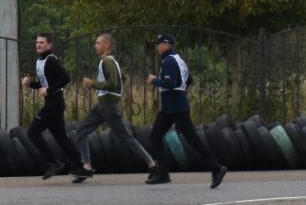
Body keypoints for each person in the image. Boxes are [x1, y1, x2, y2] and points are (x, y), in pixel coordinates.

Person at [73, 32, 158, 180]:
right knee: (82, 131)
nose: (95, 45)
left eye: (98, 43)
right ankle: (86, 167)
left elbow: (113, 83)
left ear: (107, 45)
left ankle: (152, 165)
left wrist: (92, 84)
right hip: (102, 105)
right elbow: (122, 78)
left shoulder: (107, 61)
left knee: (126, 138)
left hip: (109, 107)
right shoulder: (111, 62)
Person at [146, 34, 226, 189]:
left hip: (176, 107)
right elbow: (189, 80)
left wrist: (154, 80)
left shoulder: (169, 61)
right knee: (155, 136)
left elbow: (171, 83)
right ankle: (162, 173)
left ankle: (217, 168)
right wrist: (181, 91)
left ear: (166, 45)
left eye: (159, 44)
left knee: (192, 139)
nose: (157, 47)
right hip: (171, 107)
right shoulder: (178, 59)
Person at [23, 33, 86, 181]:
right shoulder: (40, 61)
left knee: (33, 132)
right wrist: (30, 83)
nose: (38, 45)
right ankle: (82, 168)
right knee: (61, 137)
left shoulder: (51, 60)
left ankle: (53, 162)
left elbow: (65, 78)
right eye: (37, 42)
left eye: (42, 42)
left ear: (50, 45)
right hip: (53, 103)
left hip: (54, 104)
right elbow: (44, 85)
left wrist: (49, 90)